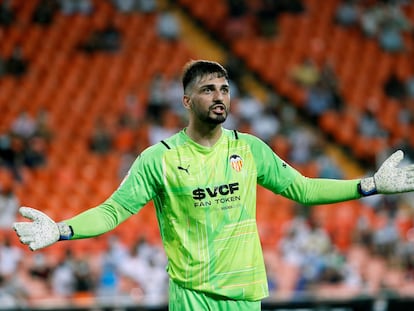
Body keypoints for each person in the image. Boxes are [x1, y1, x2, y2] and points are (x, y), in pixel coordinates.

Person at [13, 60, 414, 310]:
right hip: (192, 298)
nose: (219, 96)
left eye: (224, 89)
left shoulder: (250, 149)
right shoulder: (161, 158)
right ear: (187, 101)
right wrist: (62, 229)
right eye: (208, 89)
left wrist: (371, 185)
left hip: (245, 296)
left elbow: (303, 189)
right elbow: (113, 211)